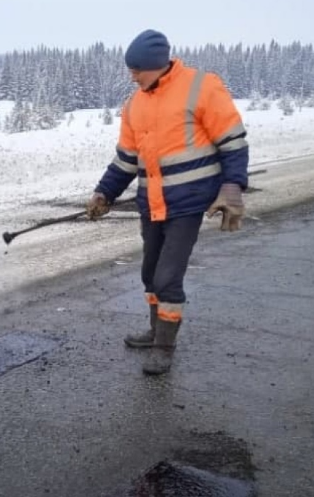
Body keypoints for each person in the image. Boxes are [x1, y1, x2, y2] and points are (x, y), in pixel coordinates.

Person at [86, 29, 249, 375]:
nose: (132, 75)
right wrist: (105, 193)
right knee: (150, 273)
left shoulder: (201, 86)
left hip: (189, 202)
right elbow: (127, 160)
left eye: (137, 69)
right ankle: (154, 330)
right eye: (129, 69)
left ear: (158, 65)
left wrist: (233, 186)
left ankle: (164, 347)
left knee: (168, 277)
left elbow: (233, 142)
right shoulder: (135, 104)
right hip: (152, 202)